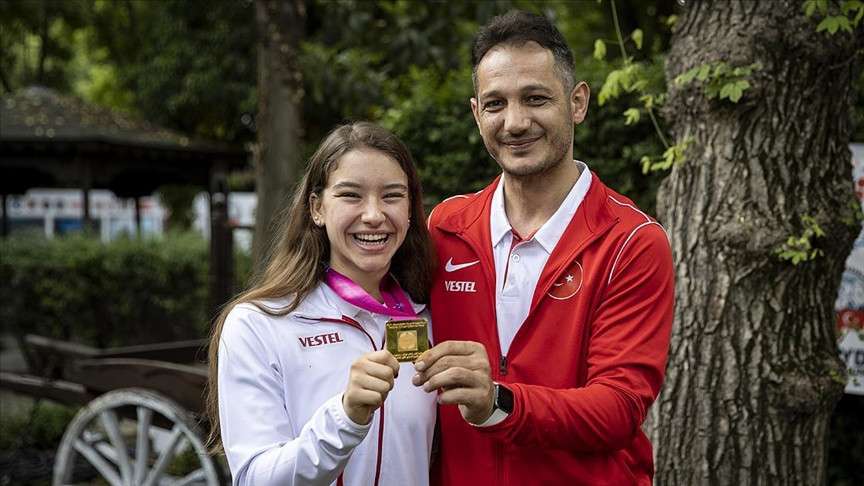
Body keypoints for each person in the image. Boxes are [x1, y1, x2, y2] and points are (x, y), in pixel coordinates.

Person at [412, 11, 674, 486]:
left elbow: (619, 407)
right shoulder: (445, 226)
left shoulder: (632, 242)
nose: (515, 122)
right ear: (476, 113)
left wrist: (499, 401)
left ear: (577, 103)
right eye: (496, 104)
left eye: (535, 98)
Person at [206, 122, 437, 486]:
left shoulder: (430, 317)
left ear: (410, 209)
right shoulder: (258, 324)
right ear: (317, 208)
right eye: (351, 195)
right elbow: (254, 479)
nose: (374, 214)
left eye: (392, 196)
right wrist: (345, 417)